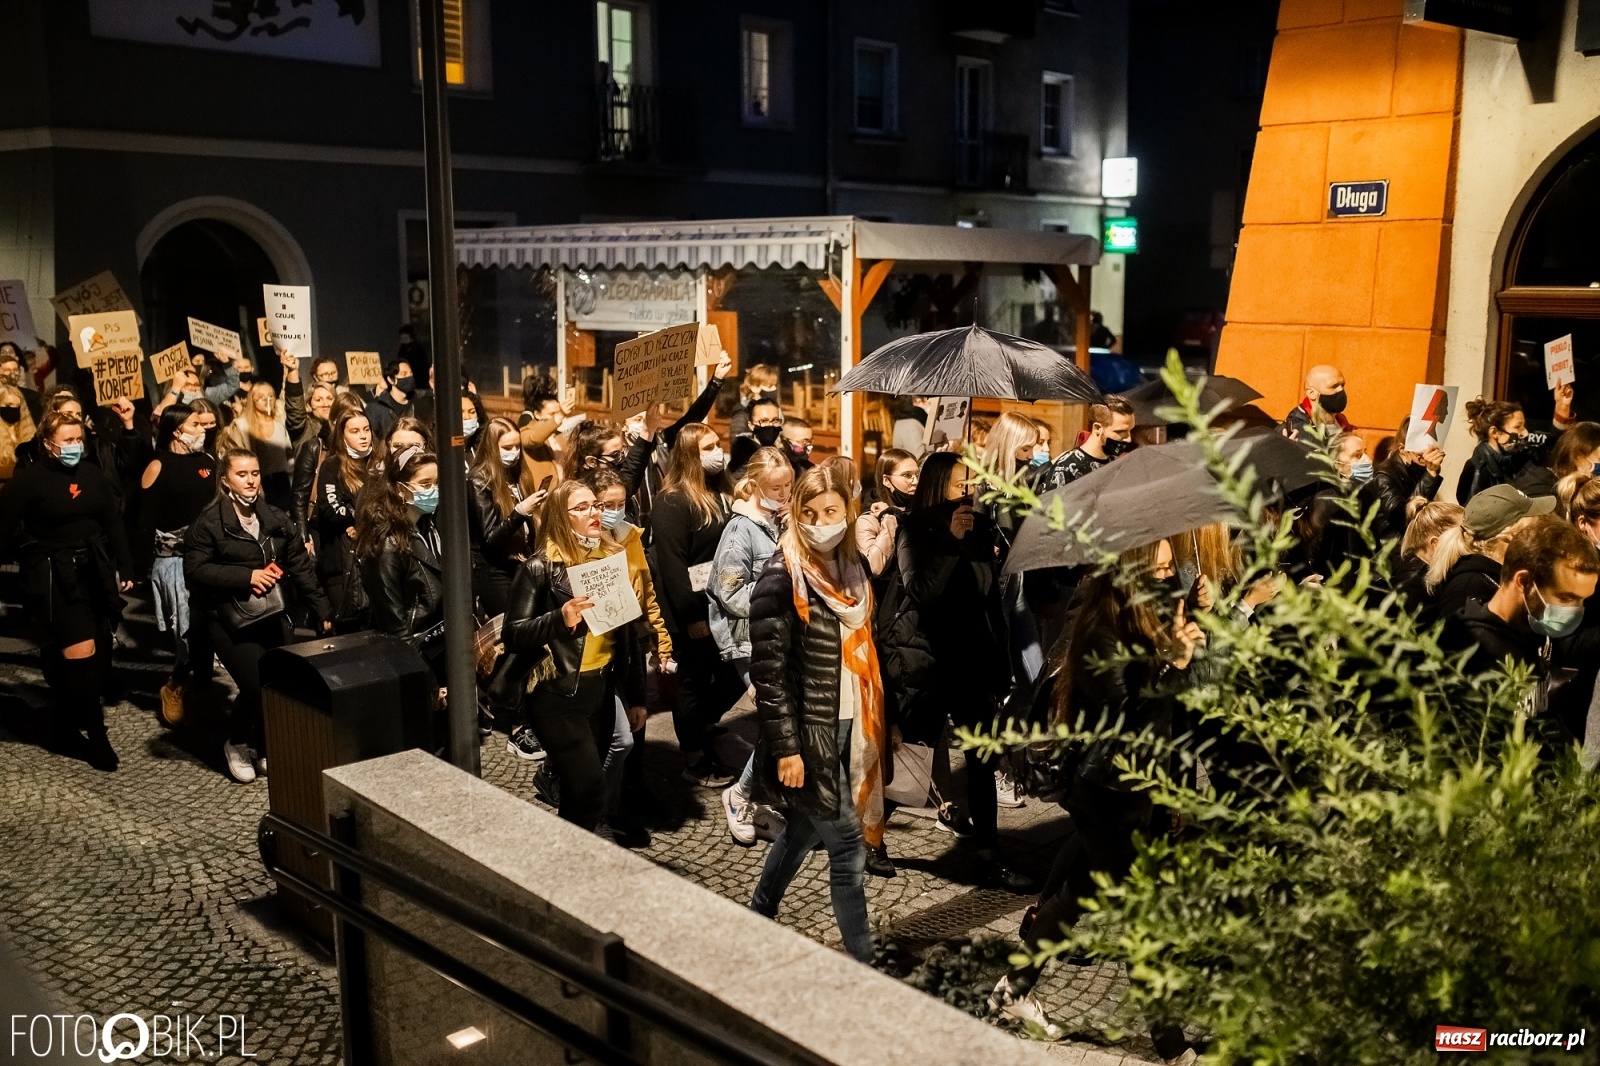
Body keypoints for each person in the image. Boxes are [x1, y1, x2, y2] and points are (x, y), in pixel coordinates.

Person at [989, 537, 1204, 1056]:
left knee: (1076, 894)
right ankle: (1172, 1045)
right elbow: (1127, 725)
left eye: (1168, 565)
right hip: (1106, 791)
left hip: (1140, 788)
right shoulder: (1101, 629)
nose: (1165, 572)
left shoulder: (1152, 616)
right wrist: (1171, 666)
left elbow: (1171, 721)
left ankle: (1010, 990)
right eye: (1154, 565)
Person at [746, 462, 885, 964]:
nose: (822, 521)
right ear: (796, 516)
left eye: (831, 511)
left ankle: (759, 911)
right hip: (810, 734)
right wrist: (787, 748)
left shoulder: (855, 571)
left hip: (852, 722)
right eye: (811, 512)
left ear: (848, 512)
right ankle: (866, 964)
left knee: (804, 830)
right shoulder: (782, 576)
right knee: (847, 847)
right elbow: (769, 673)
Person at [894, 451, 1031, 889]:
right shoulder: (913, 529)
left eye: (972, 483)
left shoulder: (982, 527)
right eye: (960, 485)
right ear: (938, 488)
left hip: (974, 663)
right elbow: (921, 591)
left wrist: (1001, 660)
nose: (969, 492)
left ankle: (989, 853)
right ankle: (869, 837)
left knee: (981, 759)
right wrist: (951, 543)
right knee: (906, 751)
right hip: (931, 662)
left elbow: (991, 600)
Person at [501, 479, 650, 834]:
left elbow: (627, 636)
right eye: (581, 508)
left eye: (595, 505)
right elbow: (513, 634)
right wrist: (558, 618)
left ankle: (569, 859)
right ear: (560, 517)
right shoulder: (541, 567)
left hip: (599, 690)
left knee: (577, 793)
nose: (594, 513)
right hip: (556, 695)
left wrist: (637, 696)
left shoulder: (611, 558)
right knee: (590, 790)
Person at [184, 449, 329, 782]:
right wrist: (246, 577)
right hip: (227, 618)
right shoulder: (209, 523)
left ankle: (264, 745)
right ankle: (236, 740)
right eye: (242, 474)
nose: (250, 481)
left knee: (278, 682)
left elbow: (299, 565)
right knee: (255, 684)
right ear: (225, 480)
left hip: (271, 611)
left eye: (254, 474)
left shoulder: (275, 518)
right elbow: (194, 570)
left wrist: (322, 608)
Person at [0, 411, 133, 771]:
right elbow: (5, 530)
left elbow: (112, 521)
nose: (75, 446)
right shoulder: (29, 481)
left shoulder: (91, 474)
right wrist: (29, 557)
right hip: (57, 578)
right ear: (47, 443)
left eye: (79, 440)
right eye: (67, 440)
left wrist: (127, 566)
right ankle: (96, 736)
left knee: (101, 654)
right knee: (82, 656)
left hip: (95, 571)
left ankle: (62, 720)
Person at [649, 423, 748, 786]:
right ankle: (693, 754)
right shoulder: (673, 500)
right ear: (690, 455)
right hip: (691, 606)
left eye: (718, 444)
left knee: (733, 671)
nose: (718, 451)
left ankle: (704, 723)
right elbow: (673, 565)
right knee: (692, 680)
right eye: (708, 447)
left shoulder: (722, 491)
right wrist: (691, 616)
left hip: (723, 600)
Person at [708, 448, 793, 846]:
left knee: (783, 723)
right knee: (777, 724)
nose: (786, 493)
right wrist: (777, 600)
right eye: (778, 488)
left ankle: (758, 796)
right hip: (748, 641)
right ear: (757, 485)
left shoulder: (778, 522)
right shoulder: (741, 530)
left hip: (776, 636)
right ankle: (740, 795)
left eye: (789, 486)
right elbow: (727, 591)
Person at [138, 404, 219, 723]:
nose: (203, 429)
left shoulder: (209, 462)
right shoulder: (159, 465)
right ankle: (175, 683)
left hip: (211, 556)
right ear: (177, 431)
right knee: (185, 628)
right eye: (195, 424)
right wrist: (138, 569)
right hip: (174, 560)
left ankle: (202, 688)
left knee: (211, 626)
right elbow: (144, 521)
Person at [1447, 515, 1598, 678]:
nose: (1574, 610)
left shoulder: (1531, 631)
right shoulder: (1472, 653)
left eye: (1581, 600)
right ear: (1524, 581)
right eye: (1565, 598)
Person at [357, 448, 446, 679]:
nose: (433, 491)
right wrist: (426, 679)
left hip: (440, 647)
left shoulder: (429, 525)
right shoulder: (385, 545)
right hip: (412, 657)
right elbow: (394, 624)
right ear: (400, 489)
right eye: (425, 484)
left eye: (437, 483)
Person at [1424, 484, 1554, 625]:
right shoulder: (1466, 590)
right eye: (1533, 526)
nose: (1540, 532)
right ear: (1511, 535)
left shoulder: (1502, 573)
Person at [468, 416, 543, 622]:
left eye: (517, 447)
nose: (515, 453)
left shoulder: (517, 474)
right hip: (494, 570)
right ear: (493, 448)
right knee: (511, 628)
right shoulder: (479, 481)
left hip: (521, 562)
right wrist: (520, 512)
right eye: (507, 448)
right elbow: (491, 538)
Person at [314, 408, 378, 630]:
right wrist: (357, 518)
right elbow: (331, 510)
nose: (363, 436)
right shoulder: (332, 466)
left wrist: (362, 524)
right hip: (342, 566)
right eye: (355, 431)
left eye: (366, 429)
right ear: (342, 436)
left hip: (375, 560)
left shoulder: (379, 463)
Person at [1461, 393, 1574, 501]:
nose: (1525, 433)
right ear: (1495, 432)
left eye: (1523, 426)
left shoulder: (1519, 455)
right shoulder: (1478, 468)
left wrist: (1562, 407)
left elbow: (1551, 448)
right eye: (1517, 427)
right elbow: (1471, 512)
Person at [1365, 417, 1444, 543]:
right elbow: (1400, 517)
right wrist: (1430, 475)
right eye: (1420, 456)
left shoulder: (1416, 466)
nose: (1425, 461)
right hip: (1393, 544)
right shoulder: (1384, 474)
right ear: (1402, 449)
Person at [1044, 396, 1135, 490]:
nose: (1129, 439)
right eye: (1120, 432)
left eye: (1130, 430)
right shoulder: (1066, 468)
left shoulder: (1112, 462)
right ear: (1098, 429)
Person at [856, 449, 917, 578]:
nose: (915, 481)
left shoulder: (918, 511)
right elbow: (873, 567)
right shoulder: (869, 519)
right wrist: (889, 518)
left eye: (917, 475)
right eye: (907, 475)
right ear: (886, 480)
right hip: (887, 595)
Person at [1396, 500, 1463, 607]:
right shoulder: (1416, 593)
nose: (1470, 541)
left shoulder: (1428, 567)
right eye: (1462, 536)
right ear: (1435, 543)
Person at [1281, 363, 1352, 440]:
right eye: (1334, 386)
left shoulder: (1341, 422)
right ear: (1311, 393)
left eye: (1342, 385)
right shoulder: (1296, 431)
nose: (1341, 390)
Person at [729, 396, 784, 475]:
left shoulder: (778, 453)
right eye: (764, 421)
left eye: (775, 420)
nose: (770, 425)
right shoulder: (743, 459)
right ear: (751, 425)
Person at [365, 359, 416, 443]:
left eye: (410, 374)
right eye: (404, 374)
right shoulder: (375, 408)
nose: (409, 377)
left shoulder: (418, 404)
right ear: (391, 380)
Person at [0, 378, 37, 486]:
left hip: (25, 487)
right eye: (8, 405)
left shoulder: (28, 432)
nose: (13, 409)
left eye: (17, 406)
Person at [730, 363, 779, 439]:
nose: (774, 389)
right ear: (754, 387)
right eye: (769, 386)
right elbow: (738, 443)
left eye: (775, 385)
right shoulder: (743, 413)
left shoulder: (774, 411)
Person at [0, 346, 42, 424]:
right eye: (7, 370)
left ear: (20, 372)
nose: (12, 374)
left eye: (15, 370)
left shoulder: (33, 398)